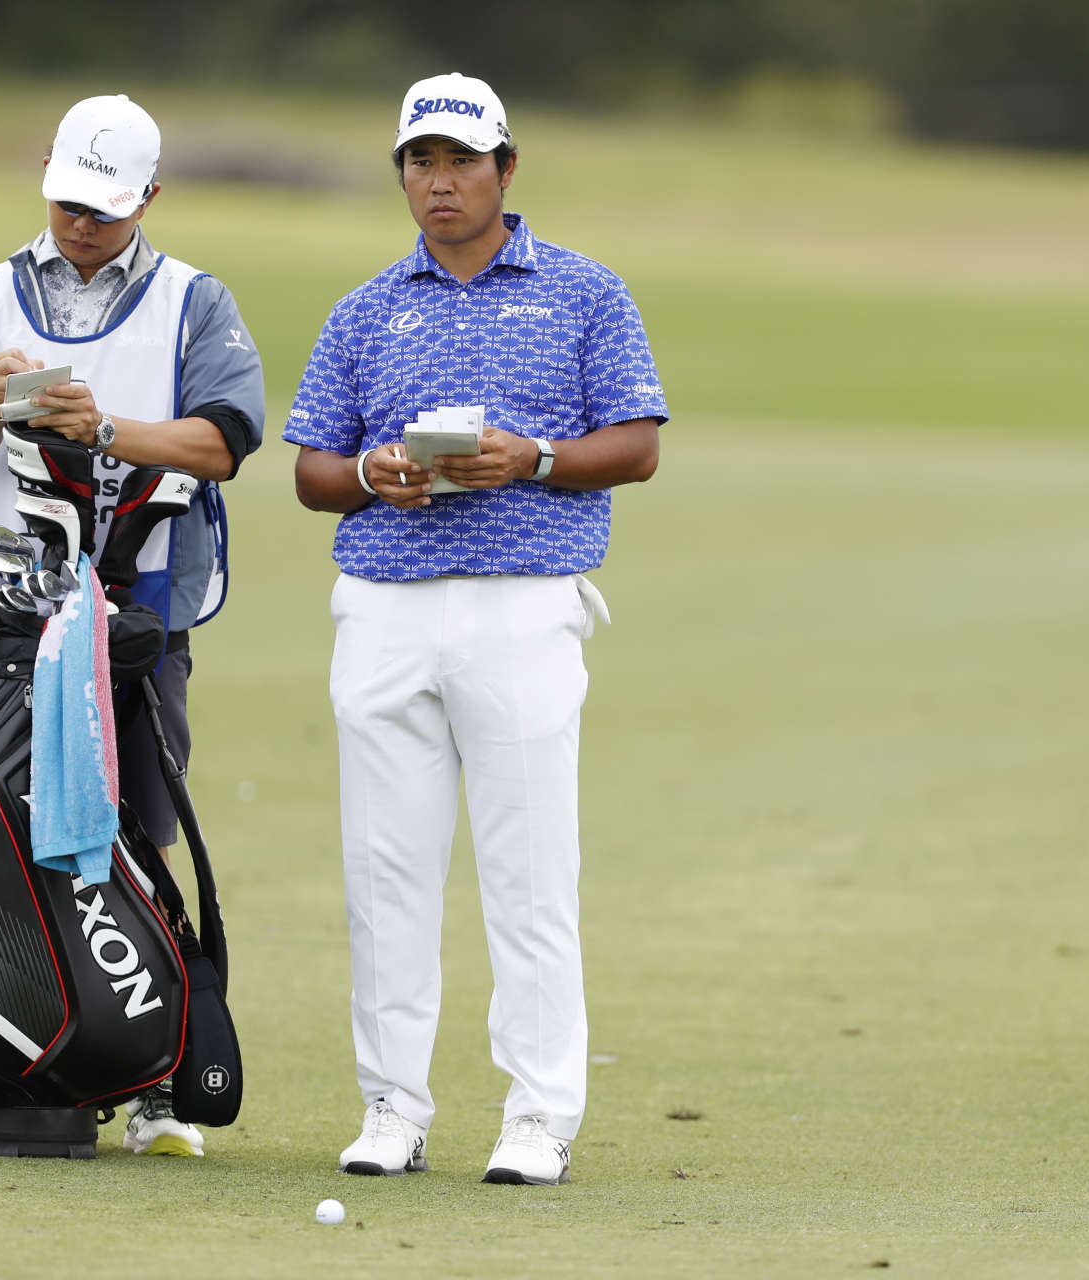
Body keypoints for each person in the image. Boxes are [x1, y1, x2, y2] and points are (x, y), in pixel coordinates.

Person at [283, 72, 667, 1186]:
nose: (439, 182)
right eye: (419, 162)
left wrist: (532, 458)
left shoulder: (586, 293)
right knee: (386, 870)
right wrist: (371, 472)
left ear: (506, 167)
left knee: (531, 871)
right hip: (386, 610)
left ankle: (538, 1114)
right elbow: (311, 468)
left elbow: (636, 441)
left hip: (523, 602)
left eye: (460, 162)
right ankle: (391, 1105)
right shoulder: (364, 309)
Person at [0, 93, 265, 1159]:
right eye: (68, 201)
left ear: (149, 199)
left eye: (105, 210)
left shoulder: (195, 302)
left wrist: (103, 427)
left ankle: (153, 1074)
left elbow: (223, 442)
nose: (81, 224)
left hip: (133, 610)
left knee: (138, 827)